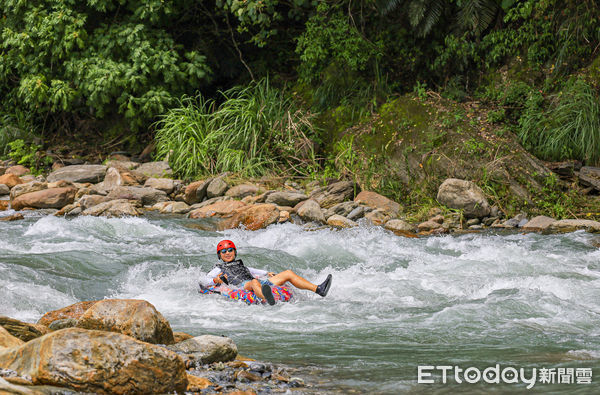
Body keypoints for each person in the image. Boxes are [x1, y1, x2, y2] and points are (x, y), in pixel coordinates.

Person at [199, 240, 332, 305]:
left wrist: (268, 273)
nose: (227, 253)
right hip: (242, 286)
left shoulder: (241, 264)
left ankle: (319, 289)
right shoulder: (218, 268)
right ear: (219, 255)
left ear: (235, 252)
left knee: (288, 273)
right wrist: (215, 280)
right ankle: (266, 299)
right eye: (223, 252)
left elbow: (255, 271)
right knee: (254, 282)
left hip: (258, 282)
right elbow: (204, 280)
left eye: (230, 250)